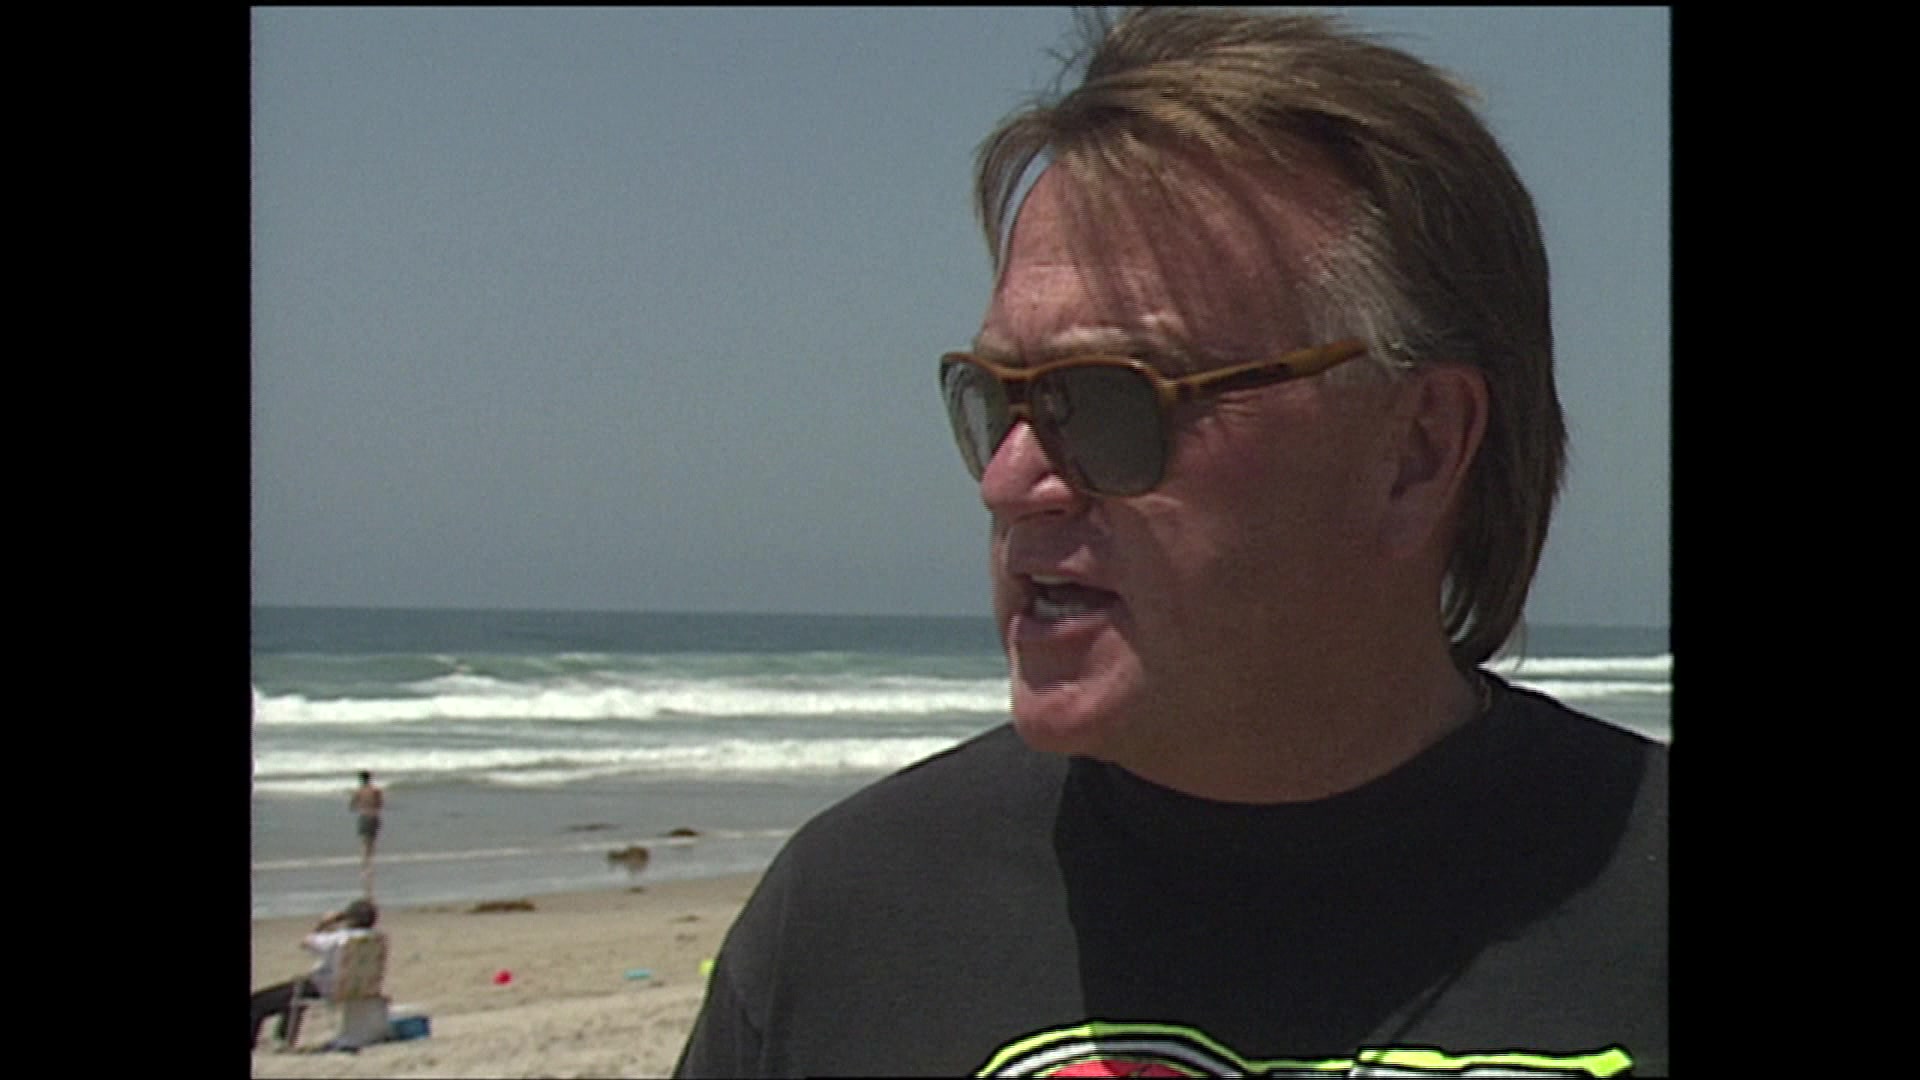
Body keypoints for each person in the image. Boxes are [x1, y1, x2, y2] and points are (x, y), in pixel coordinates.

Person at [676, 8, 1665, 1078]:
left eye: (1110, 403)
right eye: (996, 402)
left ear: (1415, 450)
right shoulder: (852, 921)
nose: (1011, 481)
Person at [249, 899, 381, 1050]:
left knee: (257, 1002)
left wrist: (324, 923)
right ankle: (284, 1037)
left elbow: (306, 943)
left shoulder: (339, 939)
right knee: (291, 993)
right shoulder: (376, 938)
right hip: (356, 987)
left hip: (322, 987)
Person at [350, 770, 383, 875]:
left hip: (364, 817)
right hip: (374, 817)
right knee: (372, 843)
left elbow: (352, 806)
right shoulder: (376, 790)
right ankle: (370, 866)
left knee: (364, 843)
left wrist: (359, 805)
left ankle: (364, 867)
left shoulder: (359, 791)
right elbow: (380, 804)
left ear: (361, 780)